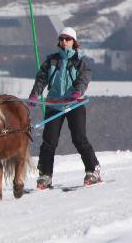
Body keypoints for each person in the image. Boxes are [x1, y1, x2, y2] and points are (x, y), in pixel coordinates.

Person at [28, 26, 101, 189]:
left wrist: (77, 92)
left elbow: (84, 79)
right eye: (61, 39)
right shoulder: (51, 60)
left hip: (74, 104)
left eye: (67, 39)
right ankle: (45, 175)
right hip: (54, 104)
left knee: (79, 138)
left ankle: (93, 169)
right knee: (49, 141)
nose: (64, 42)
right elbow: (41, 79)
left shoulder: (81, 61)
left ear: (74, 42)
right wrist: (35, 94)